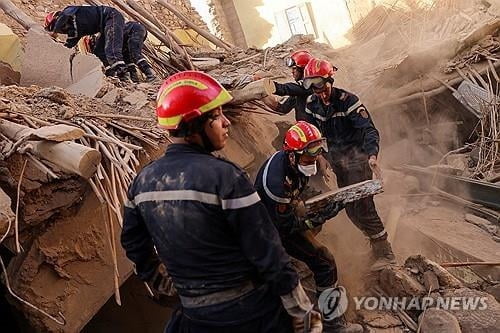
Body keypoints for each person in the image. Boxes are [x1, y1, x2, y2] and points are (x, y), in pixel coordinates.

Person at [121, 71, 322, 333]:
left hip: (193, 315)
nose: (226, 122)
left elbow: (133, 245)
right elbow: (267, 250)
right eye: (216, 116)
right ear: (194, 125)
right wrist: (300, 309)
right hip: (248, 312)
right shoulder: (226, 177)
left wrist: (166, 285)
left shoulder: (142, 181)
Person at [255, 121, 363, 333]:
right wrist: (320, 216)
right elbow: (285, 227)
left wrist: (321, 202)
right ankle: (333, 324)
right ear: (293, 155)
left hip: (279, 215)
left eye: (317, 154)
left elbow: (300, 192)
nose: (313, 160)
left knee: (313, 219)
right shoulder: (277, 184)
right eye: (309, 156)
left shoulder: (294, 163)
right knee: (325, 261)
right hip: (268, 230)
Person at [302, 58, 396, 271]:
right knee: (351, 210)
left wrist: (372, 155)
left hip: (358, 160)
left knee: (364, 207)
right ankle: (374, 245)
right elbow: (314, 135)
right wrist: (321, 157)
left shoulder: (348, 101)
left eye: (322, 85)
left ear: (330, 81)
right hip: (338, 163)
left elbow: (369, 130)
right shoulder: (311, 105)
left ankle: (386, 253)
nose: (319, 92)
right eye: (313, 87)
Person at [44, 5, 130, 80]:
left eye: (57, 27)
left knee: (111, 48)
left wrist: (54, 32)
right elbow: (67, 47)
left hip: (111, 16)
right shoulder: (74, 33)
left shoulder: (69, 10)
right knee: (99, 51)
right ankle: (111, 74)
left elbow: (64, 15)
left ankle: (123, 73)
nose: (62, 31)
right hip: (104, 26)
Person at [84, 21, 156, 82]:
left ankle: (151, 74)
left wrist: (113, 74)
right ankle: (134, 78)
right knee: (127, 57)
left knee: (135, 54)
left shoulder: (99, 45)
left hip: (133, 30)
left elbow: (110, 60)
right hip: (136, 30)